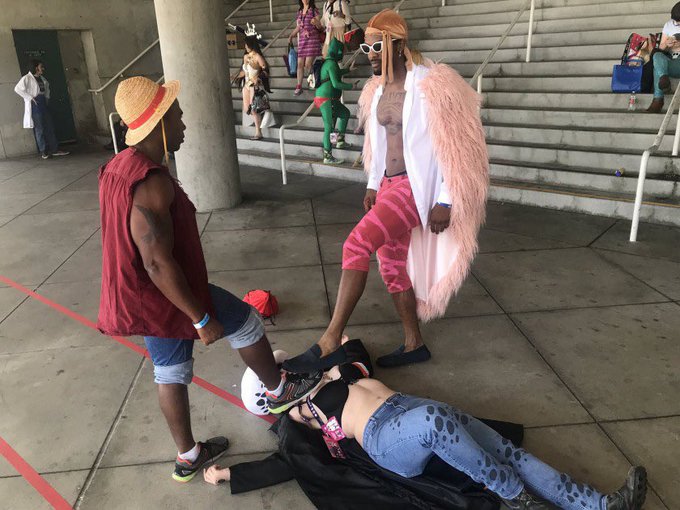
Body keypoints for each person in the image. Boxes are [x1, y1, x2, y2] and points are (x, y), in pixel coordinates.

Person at [97, 76, 322, 483]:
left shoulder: (118, 166)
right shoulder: (151, 182)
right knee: (247, 323)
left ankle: (188, 457)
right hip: (170, 292)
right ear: (159, 123)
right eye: (177, 116)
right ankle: (278, 391)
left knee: (169, 373)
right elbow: (157, 263)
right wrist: (200, 318)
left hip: (143, 297)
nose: (183, 124)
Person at [206, 337, 647, 510]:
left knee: (507, 451)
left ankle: (601, 506)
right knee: (437, 422)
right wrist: (230, 475)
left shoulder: (322, 374)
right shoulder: (298, 417)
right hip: (386, 438)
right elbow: (290, 461)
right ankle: (515, 497)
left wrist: (338, 351)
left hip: (408, 407)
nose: (287, 368)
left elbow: (355, 350)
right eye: (278, 372)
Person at [283, 9, 489, 372]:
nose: (371, 54)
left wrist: (446, 199)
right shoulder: (375, 91)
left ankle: (330, 340)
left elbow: (457, 147)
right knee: (392, 267)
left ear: (399, 43)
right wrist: (373, 183)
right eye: (366, 48)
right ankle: (414, 344)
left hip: (414, 188)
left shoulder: (431, 87)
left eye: (377, 46)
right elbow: (378, 146)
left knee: (355, 245)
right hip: (389, 186)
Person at [14, 59, 70, 160]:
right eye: (41, 67)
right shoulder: (27, 78)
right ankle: (44, 151)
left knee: (49, 127)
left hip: (43, 103)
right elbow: (17, 89)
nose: (42, 68)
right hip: (35, 105)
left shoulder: (42, 78)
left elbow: (46, 89)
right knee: (39, 129)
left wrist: (47, 98)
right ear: (36, 68)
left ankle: (54, 149)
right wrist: (30, 97)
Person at [314, 37, 356, 164]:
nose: (342, 55)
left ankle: (339, 141)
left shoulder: (328, 63)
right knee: (329, 126)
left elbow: (336, 73)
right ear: (338, 51)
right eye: (341, 52)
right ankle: (327, 156)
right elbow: (336, 84)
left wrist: (348, 70)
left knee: (344, 114)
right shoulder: (331, 64)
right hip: (327, 99)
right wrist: (351, 86)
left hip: (330, 99)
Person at [232, 34, 274, 140]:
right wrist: (234, 76)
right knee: (247, 108)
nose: (245, 47)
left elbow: (265, 70)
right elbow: (244, 71)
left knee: (254, 108)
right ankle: (259, 122)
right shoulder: (246, 57)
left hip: (254, 85)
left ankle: (258, 132)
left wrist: (259, 78)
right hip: (246, 84)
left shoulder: (258, 57)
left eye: (247, 44)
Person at [647, 2, 680, 112]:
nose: (676, 24)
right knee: (657, 56)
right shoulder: (668, 25)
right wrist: (667, 44)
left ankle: (658, 99)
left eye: (679, 22)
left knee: (658, 68)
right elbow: (661, 48)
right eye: (675, 21)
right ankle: (664, 79)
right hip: (671, 58)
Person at [288, 0, 324, 95]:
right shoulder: (299, 12)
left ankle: (316, 78)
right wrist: (291, 35)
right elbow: (299, 27)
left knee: (308, 64)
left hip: (312, 39)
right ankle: (299, 86)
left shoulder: (314, 10)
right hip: (302, 40)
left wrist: (316, 22)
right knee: (300, 64)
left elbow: (320, 27)